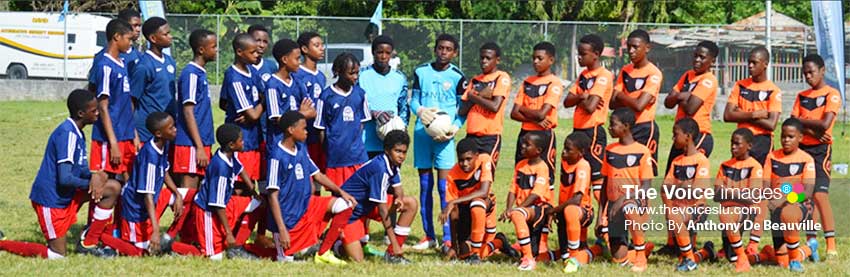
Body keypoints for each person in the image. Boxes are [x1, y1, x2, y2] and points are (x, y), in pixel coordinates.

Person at [0, 90, 115, 258]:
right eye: (94, 110)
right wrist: (91, 184)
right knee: (58, 255)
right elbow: (65, 178)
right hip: (51, 200)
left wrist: (95, 176)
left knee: (112, 188)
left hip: (67, 195)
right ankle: (3, 244)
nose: (98, 113)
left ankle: (88, 242)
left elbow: (81, 169)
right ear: (81, 113)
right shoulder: (67, 134)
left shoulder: (78, 132)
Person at [265, 111, 356, 264]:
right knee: (286, 262)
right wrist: (282, 229)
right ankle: (299, 245)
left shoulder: (301, 149)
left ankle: (323, 251)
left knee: (345, 205)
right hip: (288, 221)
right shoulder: (276, 157)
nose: (307, 131)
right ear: (291, 130)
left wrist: (341, 192)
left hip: (308, 207)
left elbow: (318, 175)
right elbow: (272, 195)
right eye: (304, 128)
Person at [658, 40, 719, 255]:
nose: (697, 60)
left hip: (698, 136)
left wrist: (680, 96)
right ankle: (673, 241)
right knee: (668, 188)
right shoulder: (686, 76)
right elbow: (667, 102)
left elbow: (692, 107)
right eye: (695, 55)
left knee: (690, 189)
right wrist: (684, 96)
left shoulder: (709, 80)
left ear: (712, 61)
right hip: (680, 136)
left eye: (703, 57)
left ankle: (691, 242)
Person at [169, 123, 263, 260]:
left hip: (226, 202)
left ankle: (238, 246)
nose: (244, 142)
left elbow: (240, 169)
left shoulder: (228, 154)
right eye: (241, 140)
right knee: (213, 256)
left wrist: (253, 191)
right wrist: (228, 233)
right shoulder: (221, 169)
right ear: (231, 145)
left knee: (259, 204)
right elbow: (217, 205)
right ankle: (170, 246)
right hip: (208, 211)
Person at [99, 112, 185, 256]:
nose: (175, 129)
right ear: (159, 133)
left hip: (150, 204)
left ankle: (170, 238)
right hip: (136, 208)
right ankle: (101, 237)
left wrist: (177, 194)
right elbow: (147, 195)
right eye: (171, 128)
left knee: (190, 196)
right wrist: (156, 231)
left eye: (174, 126)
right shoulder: (150, 156)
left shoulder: (165, 143)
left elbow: (164, 171)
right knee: (141, 253)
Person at [409, 34, 466, 250]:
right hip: (423, 135)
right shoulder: (421, 71)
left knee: (444, 188)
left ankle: (448, 237)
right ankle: (428, 236)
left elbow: (463, 108)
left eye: (448, 49)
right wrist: (420, 111)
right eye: (440, 48)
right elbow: (414, 99)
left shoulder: (457, 76)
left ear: (455, 53)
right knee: (425, 185)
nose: (443, 52)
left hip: (444, 138)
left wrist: (455, 127)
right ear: (435, 49)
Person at [340, 130, 419, 263]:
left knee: (410, 203)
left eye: (404, 152)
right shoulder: (380, 169)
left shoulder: (393, 164)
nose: (401, 156)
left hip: (366, 208)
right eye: (397, 151)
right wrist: (393, 241)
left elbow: (398, 188)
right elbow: (382, 210)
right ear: (387, 150)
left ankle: (392, 255)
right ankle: (336, 243)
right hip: (350, 214)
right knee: (358, 260)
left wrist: (399, 198)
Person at [791, 54, 840, 258]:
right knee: (800, 195)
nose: (808, 76)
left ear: (822, 71)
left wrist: (803, 122)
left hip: (821, 152)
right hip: (802, 151)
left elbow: (825, 125)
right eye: (805, 73)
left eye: (811, 72)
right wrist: (811, 130)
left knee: (820, 195)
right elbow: (793, 122)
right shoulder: (801, 96)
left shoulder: (832, 94)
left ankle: (831, 243)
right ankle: (811, 241)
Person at [598, 108, 653, 272]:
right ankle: (641, 248)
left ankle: (641, 258)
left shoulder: (642, 151)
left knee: (629, 206)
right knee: (618, 259)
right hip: (614, 208)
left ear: (626, 126)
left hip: (635, 204)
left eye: (613, 124)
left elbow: (646, 186)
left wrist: (623, 199)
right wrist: (601, 216)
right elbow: (604, 185)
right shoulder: (610, 150)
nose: (609, 127)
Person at [764, 118, 818, 272]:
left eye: (790, 137)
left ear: (800, 138)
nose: (786, 140)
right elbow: (765, 185)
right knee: (781, 262)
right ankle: (808, 249)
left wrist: (783, 198)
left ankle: (795, 260)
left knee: (788, 212)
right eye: (783, 136)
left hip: (800, 207)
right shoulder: (772, 157)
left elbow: (806, 192)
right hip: (776, 209)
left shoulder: (807, 159)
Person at [563, 34, 613, 201]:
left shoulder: (603, 75)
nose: (579, 57)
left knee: (596, 178)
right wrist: (583, 97)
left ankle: (606, 220)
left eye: (583, 54)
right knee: (581, 175)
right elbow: (567, 101)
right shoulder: (583, 76)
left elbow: (591, 107)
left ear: (596, 54)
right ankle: (585, 216)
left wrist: (581, 97)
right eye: (579, 53)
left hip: (593, 132)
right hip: (578, 131)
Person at [89, 19, 138, 181]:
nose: (131, 43)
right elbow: (103, 107)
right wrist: (113, 143)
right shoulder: (105, 66)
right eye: (129, 39)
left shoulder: (122, 63)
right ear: (117, 37)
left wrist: (134, 134)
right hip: (109, 139)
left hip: (125, 134)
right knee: (105, 182)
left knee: (126, 182)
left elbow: (125, 103)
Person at [663, 118, 714, 271]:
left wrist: (678, 189)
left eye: (675, 134)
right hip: (678, 210)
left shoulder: (701, 161)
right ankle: (705, 252)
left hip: (697, 210)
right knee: (683, 254)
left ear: (688, 136)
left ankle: (690, 260)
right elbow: (665, 188)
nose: (673, 138)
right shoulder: (677, 161)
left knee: (676, 217)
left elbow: (696, 192)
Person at [499, 132, 554, 271]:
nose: (522, 146)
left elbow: (536, 194)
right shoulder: (520, 165)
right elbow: (513, 189)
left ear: (538, 151)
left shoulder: (542, 167)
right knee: (530, 249)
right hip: (525, 209)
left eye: (527, 145)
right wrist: (508, 208)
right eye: (522, 143)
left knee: (518, 215)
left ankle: (528, 259)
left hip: (538, 209)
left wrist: (516, 210)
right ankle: (503, 244)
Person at [610, 29, 662, 176]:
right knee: (625, 170)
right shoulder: (625, 70)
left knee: (644, 173)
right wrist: (631, 98)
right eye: (629, 47)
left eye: (635, 47)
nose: (631, 51)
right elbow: (612, 103)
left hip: (644, 128)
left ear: (647, 48)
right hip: (627, 128)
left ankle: (644, 200)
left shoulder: (654, 73)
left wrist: (621, 95)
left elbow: (639, 106)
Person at [314, 53, 371, 185]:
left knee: (360, 194)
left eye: (357, 73)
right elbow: (321, 129)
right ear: (338, 71)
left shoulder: (360, 94)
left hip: (358, 156)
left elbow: (362, 123)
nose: (355, 77)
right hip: (336, 158)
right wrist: (329, 150)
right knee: (339, 198)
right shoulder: (326, 96)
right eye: (351, 73)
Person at [510, 41, 562, 188]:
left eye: (540, 58)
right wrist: (536, 119)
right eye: (534, 58)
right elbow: (514, 113)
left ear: (551, 60)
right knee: (521, 173)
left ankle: (545, 209)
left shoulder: (554, 83)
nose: (535, 61)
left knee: (546, 177)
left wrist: (523, 109)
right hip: (525, 134)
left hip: (543, 135)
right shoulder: (527, 82)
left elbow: (542, 114)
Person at [551, 132, 604, 273]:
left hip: (583, 212)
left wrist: (554, 210)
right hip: (565, 209)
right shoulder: (565, 161)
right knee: (564, 255)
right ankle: (588, 251)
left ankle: (575, 257)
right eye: (564, 148)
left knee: (570, 210)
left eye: (568, 149)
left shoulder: (583, 166)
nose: (563, 152)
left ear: (581, 153)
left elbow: (576, 200)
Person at [439, 138, 497, 263]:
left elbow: (484, 192)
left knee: (476, 204)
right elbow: (453, 212)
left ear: (476, 156)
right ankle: (499, 242)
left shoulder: (484, 159)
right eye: (461, 160)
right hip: (465, 213)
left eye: (468, 159)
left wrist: (454, 201)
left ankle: (476, 253)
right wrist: (454, 246)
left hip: (484, 206)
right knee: (463, 254)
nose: (465, 163)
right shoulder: (452, 175)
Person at [714, 128, 764, 272]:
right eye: (731, 143)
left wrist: (728, 193)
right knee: (730, 257)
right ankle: (765, 255)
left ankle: (742, 258)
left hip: (748, 212)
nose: (733, 147)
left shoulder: (755, 166)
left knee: (726, 214)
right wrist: (737, 195)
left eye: (737, 144)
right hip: (730, 212)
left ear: (749, 146)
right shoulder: (725, 165)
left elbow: (751, 198)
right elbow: (716, 195)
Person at [723, 46, 782, 165]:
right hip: (742, 139)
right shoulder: (740, 85)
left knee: (761, 180)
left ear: (765, 64)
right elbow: (728, 116)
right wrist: (754, 115)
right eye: (749, 62)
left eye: (754, 63)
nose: (750, 66)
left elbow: (771, 125)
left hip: (762, 141)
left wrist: (741, 113)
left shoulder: (773, 90)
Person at [174, 29, 217, 189]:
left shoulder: (200, 73)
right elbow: (187, 111)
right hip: (190, 144)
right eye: (213, 46)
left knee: (198, 192)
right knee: (188, 191)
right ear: (201, 49)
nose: (217, 50)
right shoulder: (191, 74)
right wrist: (198, 147)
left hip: (202, 141)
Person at [221, 33, 264, 185]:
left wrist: (253, 110)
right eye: (252, 52)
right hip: (241, 138)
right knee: (240, 185)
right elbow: (253, 113)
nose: (257, 54)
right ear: (240, 52)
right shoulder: (234, 77)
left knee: (253, 181)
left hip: (253, 137)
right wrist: (258, 108)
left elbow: (263, 94)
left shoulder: (253, 71)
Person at [459, 42, 510, 163]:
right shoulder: (475, 80)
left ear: (497, 60)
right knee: (471, 176)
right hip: (471, 135)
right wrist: (480, 96)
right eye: (482, 57)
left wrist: (474, 96)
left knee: (485, 174)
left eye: (488, 58)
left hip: (489, 137)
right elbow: (462, 110)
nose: (484, 61)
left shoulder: (501, 77)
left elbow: (494, 106)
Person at [360, 35, 409, 158]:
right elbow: (354, 103)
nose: (383, 56)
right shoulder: (361, 75)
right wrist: (372, 113)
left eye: (387, 53)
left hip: (391, 142)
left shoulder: (399, 78)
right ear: (373, 52)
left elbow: (403, 107)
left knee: (389, 176)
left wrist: (403, 129)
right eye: (379, 52)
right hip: (366, 140)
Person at [131, 17, 177, 143]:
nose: (170, 36)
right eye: (166, 34)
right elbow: (132, 100)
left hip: (167, 129)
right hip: (147, 133)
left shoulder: (170, 61)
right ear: (153, 38)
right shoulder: (143, 66)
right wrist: (133, 133)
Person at [266, 38, 315, 151]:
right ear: (284, 59)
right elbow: (278, 118)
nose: (299, 62)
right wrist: (301, 114)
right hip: (279, 144)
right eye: (297, 59)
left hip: (299, 144)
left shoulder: (298, 81)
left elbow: (312, 111)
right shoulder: (272, 85)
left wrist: (296, 116)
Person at [293, 31, 328, 178]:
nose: (322, 48)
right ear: (305, 49)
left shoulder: (321, 76)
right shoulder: (297, 74)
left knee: (318, 175)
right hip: (303, 135)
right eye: (317, 45)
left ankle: (317, 201)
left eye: (322, 45)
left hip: (317, 134)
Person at [87, 9, 142, 92]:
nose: (138, 29)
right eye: (135, 25)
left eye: (139, 25)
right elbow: (93, 88)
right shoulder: (103, 57)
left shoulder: (140, 56)